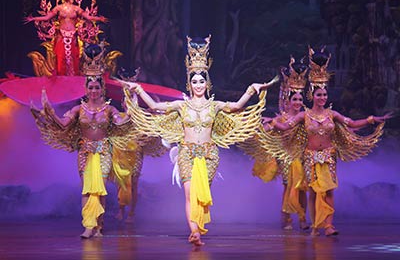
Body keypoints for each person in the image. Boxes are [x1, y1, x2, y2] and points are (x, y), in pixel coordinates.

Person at [117, 35, 278, 246]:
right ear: (189, 83)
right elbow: (156, 108)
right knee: (189, 193)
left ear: (207, 82)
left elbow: (238, 106)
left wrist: (252, 89)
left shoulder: (215, 105)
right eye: (194, 81)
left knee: (202, 193)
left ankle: (197, 227)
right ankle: (194, 232)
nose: (198, 84)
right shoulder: (181, 106)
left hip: (209, 155)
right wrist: (139, 90)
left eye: (202, 81)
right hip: (186, 154)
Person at [30, 45, 155, 238]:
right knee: (87, 189)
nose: (94, 90)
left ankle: (99, 225)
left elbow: (122, 123)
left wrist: (132, 109)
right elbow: (63, 125)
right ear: (86, 89)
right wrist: (49, 111)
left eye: (97, 87)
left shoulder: (109, 109)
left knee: (100, 189)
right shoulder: (79, 110)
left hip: (104, 151)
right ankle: (88, 224)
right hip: (85, 152)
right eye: (90, 87)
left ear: (102, 88)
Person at [267, 47, 392, 236]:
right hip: (309, 156)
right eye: (319, 95)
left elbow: (351, 123)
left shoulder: (332, 114)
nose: (322, 97)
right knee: (313, 191)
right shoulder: (304, 115)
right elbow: (287, 127)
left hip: (328, 156)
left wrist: (370, 120)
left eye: (325, 95)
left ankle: (329, 225)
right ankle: (316, 224)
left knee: (329, 190)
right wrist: (274, 123)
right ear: (313, 96)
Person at [244, 57, 309, 230]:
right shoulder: (280, 118)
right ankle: (287, 219)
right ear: (288, 101)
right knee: (289, 186)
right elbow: (268, 129)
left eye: (300, 100)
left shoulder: (305, 116)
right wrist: (262, 126)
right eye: (294, 100)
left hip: (303, 155)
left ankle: (303, 219)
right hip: (287, 156)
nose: (298, 103)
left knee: (302, 187)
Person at [24, 0, 107, 75]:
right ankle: (61, 80)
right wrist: (34, 18)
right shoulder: (58, 8)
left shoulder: (76, 8)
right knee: (60, 59)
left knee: (74, 58)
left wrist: (99, 19)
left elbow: (88, 17)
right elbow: (47, 17)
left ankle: (73, 80)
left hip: (73, 35)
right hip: (61, 35)